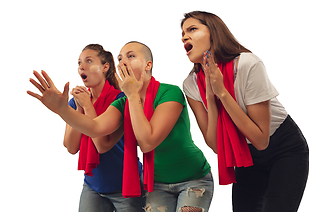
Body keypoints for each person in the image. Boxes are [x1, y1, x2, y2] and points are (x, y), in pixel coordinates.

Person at [27, 41, 214, 212]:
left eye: (130, 56)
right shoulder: (123, 103)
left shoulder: (170, 92)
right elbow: (94, 128)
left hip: (193, 178)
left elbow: (148, 142)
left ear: (148, 65)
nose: (123, 61)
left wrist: (133, 96)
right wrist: (62, 110)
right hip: (156, 183)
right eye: (120, 58)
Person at [181, 11, 309, 212]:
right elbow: (215, 145)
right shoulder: (191, 85)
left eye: (192, 29)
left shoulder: (248, 64)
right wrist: (210, 98)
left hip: (283, 147)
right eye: (182, 33)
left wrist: (222, 92)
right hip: (245, 153)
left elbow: (261, 139)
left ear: (213, 33)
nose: (184, 37)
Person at [58, 44, 144, 212]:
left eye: (89, 61)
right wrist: (78, 109)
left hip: (125, 185)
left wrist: (88, 107)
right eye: (79, 63)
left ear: (105, 67)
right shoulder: (77, 102)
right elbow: (71, 147)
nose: (82, 66)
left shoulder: (121, 100)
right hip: (93, 185)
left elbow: (102, 145)